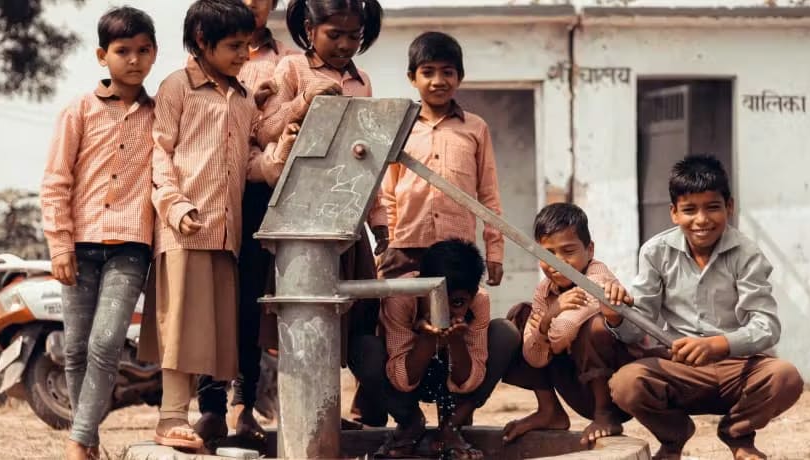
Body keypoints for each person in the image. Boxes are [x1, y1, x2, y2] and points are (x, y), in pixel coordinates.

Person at [138, 0, 296, 450]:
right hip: (183, 226)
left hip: (226, 232)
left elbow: (250, 164)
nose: (244, 54)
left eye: (247, 45)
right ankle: (171, 417)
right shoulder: (177, 87)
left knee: (212, 329)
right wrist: (173, 205)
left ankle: (202, 417)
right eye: (233, 46)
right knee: (180, 324)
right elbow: (159, 152)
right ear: (203, 42)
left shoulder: (242, 97)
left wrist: (279, 152)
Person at [607, 155, 804, 460]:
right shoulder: (655, 252)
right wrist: (615, 317)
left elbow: (767, 326)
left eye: (713, 207)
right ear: (674, 213)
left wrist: (720, 344)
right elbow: (639, 326)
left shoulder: (747, 254)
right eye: (689, 210)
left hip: (738, 365)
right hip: (679, 366)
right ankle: (673, 437)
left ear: (730, 207)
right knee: (625, 384)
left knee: (786, 377)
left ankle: (738, 435)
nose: (701, 220)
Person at [253, 0, 387, 428]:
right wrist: (305, 101)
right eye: (335, 35)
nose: (346, 45)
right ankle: (298, 414)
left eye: (355, 36)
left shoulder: (362, 81)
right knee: (300, 316)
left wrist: (378, 220)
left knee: (347, 317)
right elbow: (263, 128)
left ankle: (328, 413)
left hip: (345, 212)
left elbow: (368, 154)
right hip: (298, 211)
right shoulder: (291, 71)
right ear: (309, 29)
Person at [40, 7, 157, 459]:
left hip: (130, 245)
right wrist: (59, 244)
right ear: (101, 55)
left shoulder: (159, 114)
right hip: (81, 243)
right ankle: (89, 440)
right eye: (122, 51)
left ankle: (77, 443)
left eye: (143, 50)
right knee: (74, 349)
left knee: (106, 342)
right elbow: (56, 180)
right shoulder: (79, 110)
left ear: (154, 53)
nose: (133, 59)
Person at [193, 0, 298, 445]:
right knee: (209, 305)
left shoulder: (287, 62)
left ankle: (244, 406)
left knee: (250, 306)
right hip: (210, 198)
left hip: (260, 194)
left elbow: (273, 127)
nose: (253, 3)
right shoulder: (197, 63)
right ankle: (209, 408)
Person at [348, 239, 520, 459]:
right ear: (422, 284)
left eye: (457, 302)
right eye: (436, 300)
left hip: (453, 381)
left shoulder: (479, 301)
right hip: (409, 381)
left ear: (473, 294)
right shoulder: (401, 297)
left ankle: (451, 427)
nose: (444, 311)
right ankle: (410, 423)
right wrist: (427, 340)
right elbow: (402, 380)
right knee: (364, 348)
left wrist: (456, 342)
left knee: (505, 333)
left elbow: (470, 382)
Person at [501, 203, 636, 448]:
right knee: (520, 315)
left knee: (594, 326)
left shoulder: (597, 277)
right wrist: (546, 319)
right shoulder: (544, 289)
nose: (558, 263)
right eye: (548, 254)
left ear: (590, 249)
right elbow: (534, 358)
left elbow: (564, 330)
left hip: (618, 391)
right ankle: (549, 411)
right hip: (576, 380)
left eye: (568, 251)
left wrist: (546, 330)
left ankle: (605, 415)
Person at [379, 31, 504, 285]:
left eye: (447, 72)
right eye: (428, 72)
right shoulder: (399, 126)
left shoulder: (476, 128)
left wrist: (495, 251)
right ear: (412, 78)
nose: (438, 81)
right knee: (398, 318)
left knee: (456, 319)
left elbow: (489, 196)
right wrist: (388, 245)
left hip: (457, 251)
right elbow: (388, 193)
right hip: (406, 248)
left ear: (460, 77)